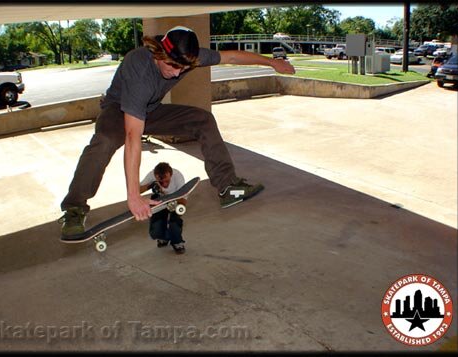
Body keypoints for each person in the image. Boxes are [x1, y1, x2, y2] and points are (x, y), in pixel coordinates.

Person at [59, 25, 295, 238]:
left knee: (203, 120)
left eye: (182, 68)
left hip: (150, 110)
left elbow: (231, 55)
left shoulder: (187, 56)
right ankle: (74, 208)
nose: (175, 73)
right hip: (118, 110)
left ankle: (228, 186)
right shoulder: (139, 69)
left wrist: (272, 62)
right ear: (158, 53)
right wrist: (134, 196)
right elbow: (133, 137)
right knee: (105, 140)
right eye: (172, 65)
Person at [140, 162, 187, 254]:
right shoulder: (152, 175)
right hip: (159, 199)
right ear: (156, 176)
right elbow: (137, 190)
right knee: (156, 229)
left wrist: (177, 210)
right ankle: (163, 238)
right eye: (161, 182)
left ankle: (177, 242)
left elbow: (183, 201)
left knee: (174, 223)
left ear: (171, 174)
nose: (165, 184)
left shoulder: (178, 177)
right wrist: (150, 185)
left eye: (167, 181)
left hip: (176, 200)